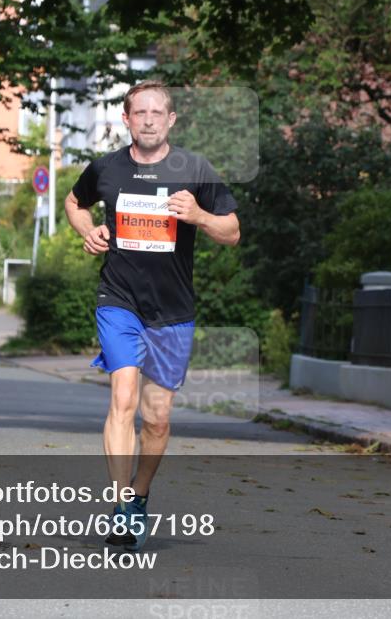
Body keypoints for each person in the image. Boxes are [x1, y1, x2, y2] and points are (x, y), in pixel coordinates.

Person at [64, 81, 240, 551]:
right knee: (122, 397)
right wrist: (88, 229)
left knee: (157, 417)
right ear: (126, 119)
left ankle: (139, 495)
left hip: (173, 309)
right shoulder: (106, 168)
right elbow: (74, 202)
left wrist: (200, 216)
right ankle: (122, 506)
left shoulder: (195, 169)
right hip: (118, 299)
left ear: (171, 120)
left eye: (156, 113)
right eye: (138, 112)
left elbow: (232, 231)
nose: (147, 120)